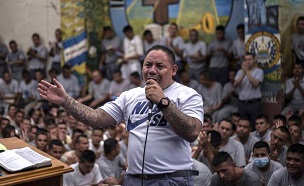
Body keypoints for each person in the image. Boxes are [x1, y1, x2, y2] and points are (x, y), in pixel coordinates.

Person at [38, 44, 203, 185]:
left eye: (159, 66)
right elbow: (96, 118)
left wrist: (163, 102)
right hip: (134, 179)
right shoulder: (130, 96)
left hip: (171, 179)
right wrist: (65, 101)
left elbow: (192, 132)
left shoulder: (188, 95)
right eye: (148, 65)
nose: (152, 70)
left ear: (173, 70)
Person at [234, 52, 264, 126]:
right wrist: (243, 73)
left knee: (255, 125)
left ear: (254, 60)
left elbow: (255, 84)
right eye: (246, 59)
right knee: (242, 126)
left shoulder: (259, 71)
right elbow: (235, 85)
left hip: (254, 103)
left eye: (249, 59)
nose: (247, 61)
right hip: (242, 103)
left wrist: (247, 71)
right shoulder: (240, 72)